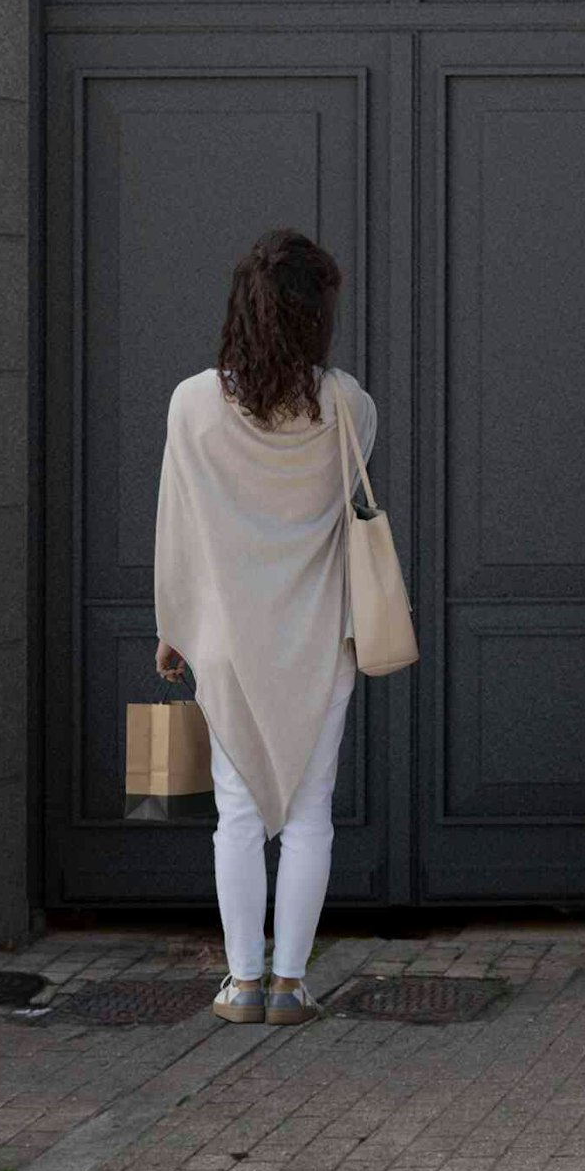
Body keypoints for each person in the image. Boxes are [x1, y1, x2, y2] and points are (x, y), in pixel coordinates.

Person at [150, 227, 370, 1028]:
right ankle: (290, 984)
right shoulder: (348, 405)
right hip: (320, 636)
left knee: (237, 811)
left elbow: (177, 523)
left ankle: (241, 983)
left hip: (226, 643)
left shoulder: (191, 404)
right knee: (310, 810)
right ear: (316, 316)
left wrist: (172, 624)